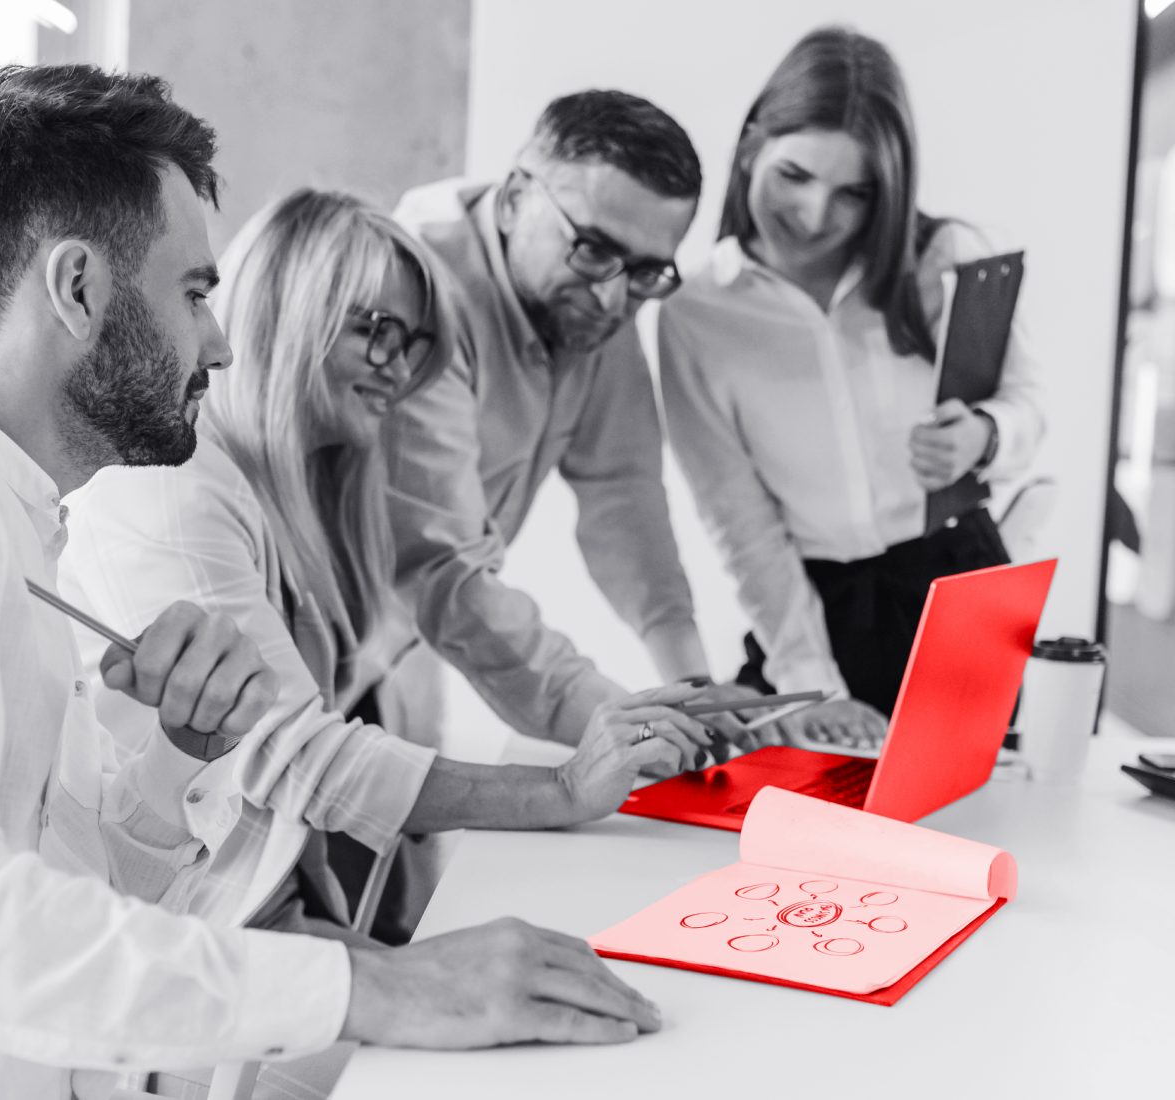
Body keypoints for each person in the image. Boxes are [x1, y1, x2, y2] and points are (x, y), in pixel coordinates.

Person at [0, 65, 663, 1100]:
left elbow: (88, 893)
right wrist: (374, 988)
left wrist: (172, 760)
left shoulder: (13, 523)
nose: (222, 341)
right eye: (195, 294)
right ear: (77, 288)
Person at [59, 189, 720, 963]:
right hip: (148, 933)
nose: (400, 371)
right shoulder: (175, 486)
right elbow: (287, 752)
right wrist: (565, 789)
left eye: (413, 345)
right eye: (376, 332)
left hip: (226, 911)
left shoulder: (302, 488)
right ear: (286, 310)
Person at [658, 26, 1044, 747]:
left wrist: (984, 435)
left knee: (978, 805)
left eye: (854, 193)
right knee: (785, 803)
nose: (814, 216)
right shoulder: (696, 314)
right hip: (813, 608)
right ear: (751, 146)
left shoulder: (947, 257)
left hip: (959, 584)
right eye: (795, 176)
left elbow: (1028, 407)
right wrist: (814, 681)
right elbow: (740, 521)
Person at [384, 89, 759, 755]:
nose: (614, 298)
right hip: (259, 634)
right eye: (591, 248)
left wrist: (691, 686)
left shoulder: (596, 301)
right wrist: (619, 723)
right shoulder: (415, 290)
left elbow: (624, 495)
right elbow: (444, 566)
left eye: (646, 271)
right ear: (514, 199)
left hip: (383, 649)